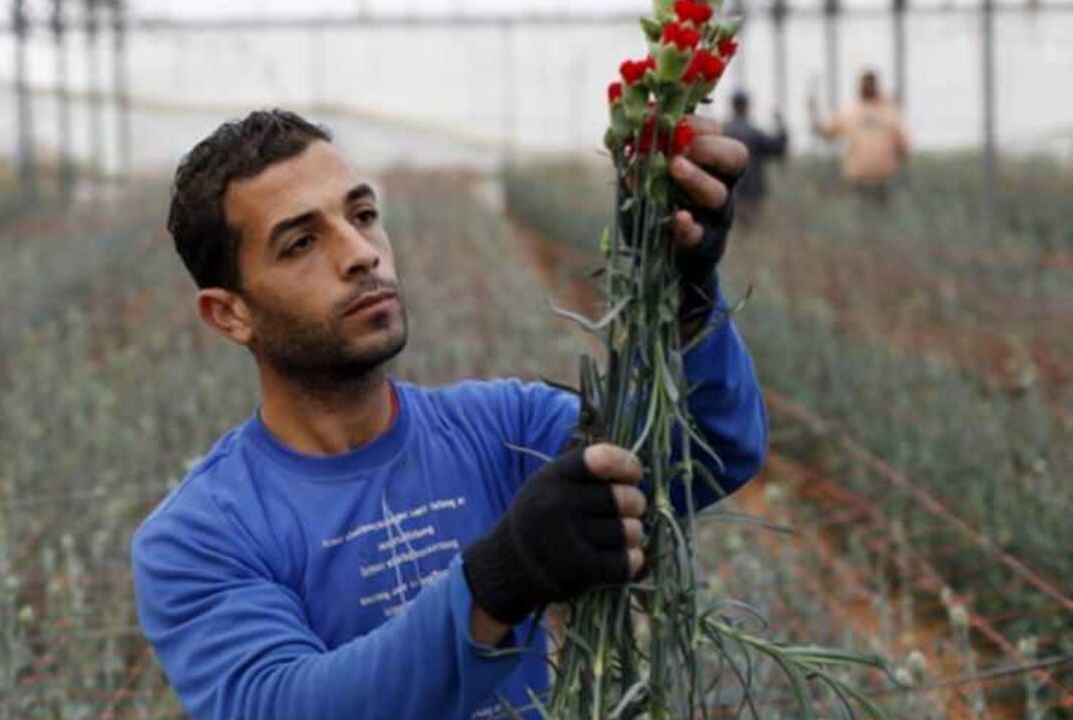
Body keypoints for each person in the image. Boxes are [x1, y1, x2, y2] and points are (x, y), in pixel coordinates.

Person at [130, 109, 767, 720]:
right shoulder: (199, 537)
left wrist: (679, 292)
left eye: (363, 215)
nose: (361, 254)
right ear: (229, 313)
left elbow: (701, 454)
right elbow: (289, 705)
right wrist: (503, 575)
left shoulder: (505, 430)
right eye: (300, 242)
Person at [810, 70, 910, 203]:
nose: (867, 87)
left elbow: (902, 144)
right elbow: (827, 133)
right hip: (859, 177)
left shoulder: (888, 111)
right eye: (865, 84)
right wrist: (813, 114)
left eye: (869, 84)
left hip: (882, 178)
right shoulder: (850, 112)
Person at [722, 89, 788, 225]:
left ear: (732, 106)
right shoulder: (755, 133)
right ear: (747, 107)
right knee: (750, 230)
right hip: (753, 193)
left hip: (728, 193)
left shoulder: (723, 131)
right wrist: (781, 125)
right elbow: (778, 148)